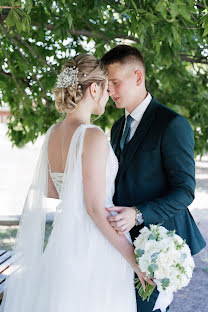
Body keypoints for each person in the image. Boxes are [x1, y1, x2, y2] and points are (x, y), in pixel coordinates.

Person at [1, 54, 153, 312]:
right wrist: (134, 259)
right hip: (95, 248)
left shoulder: (53, 133)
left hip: (64, 242)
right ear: (94, 88)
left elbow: (52, 189)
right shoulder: (92, 135)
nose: (108, 95)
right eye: (106, 87)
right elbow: (94, 209)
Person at [101, 45, 206, 312]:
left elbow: (185, 191)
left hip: (157, 247)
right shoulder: (117, 127)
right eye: (106, 84)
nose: (109, 91)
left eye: (114, 83)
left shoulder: (172, 124)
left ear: (138, 77)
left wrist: (137, 214)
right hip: (121, 244)